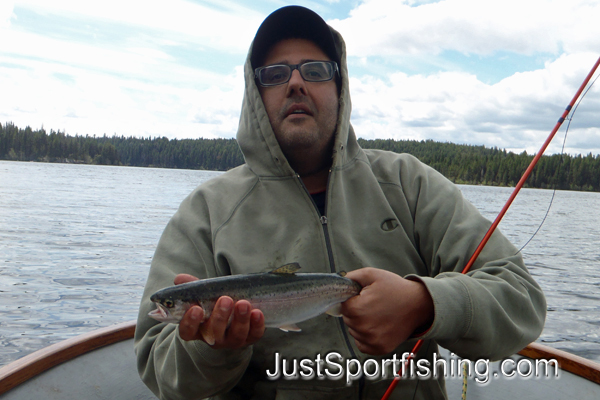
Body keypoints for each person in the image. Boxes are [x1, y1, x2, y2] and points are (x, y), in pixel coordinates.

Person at [135, 6, 546, 400]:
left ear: (340, 86)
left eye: (314, 71)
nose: (295, 84)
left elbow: (522, 301)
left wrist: (425, 306)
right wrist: (213, 348)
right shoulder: (206, 213)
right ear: (255, 95)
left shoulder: (409, 183)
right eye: (275, 74)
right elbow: (159, 369)